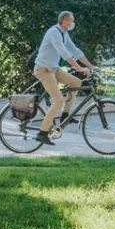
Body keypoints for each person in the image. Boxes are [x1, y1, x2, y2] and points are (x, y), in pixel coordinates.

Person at [33, 11, 96, 145]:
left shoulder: (64, 34)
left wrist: (91, 66)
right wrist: (79, 68)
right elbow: (64, 53)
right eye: (71, 21)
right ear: (64, 21)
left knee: (76, 82)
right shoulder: (54, 33)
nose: (73, 23)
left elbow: (75, 51)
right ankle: (42, 133)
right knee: (58, 100)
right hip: (44, 70)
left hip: (54, 69)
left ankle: (65, 116)